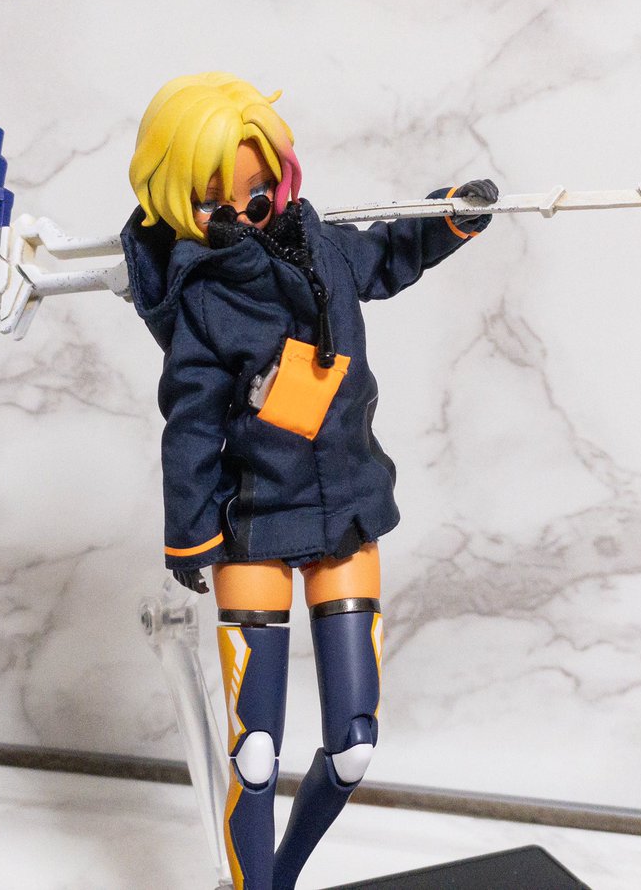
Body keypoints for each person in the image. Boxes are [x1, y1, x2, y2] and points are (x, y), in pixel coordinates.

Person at [120, 72, 495, 890]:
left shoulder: (321, 246)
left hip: (347, 510)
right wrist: (190, 534)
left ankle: (278, 880)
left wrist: (450, 216)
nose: (244, 212)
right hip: (255, 521)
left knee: (354, 745)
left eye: (257, 192)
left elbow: (390, 251)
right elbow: (190, 422)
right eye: (216, 202)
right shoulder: (203, 300)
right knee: (255, 753)